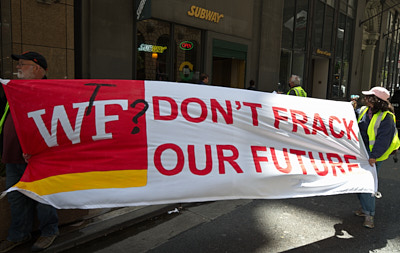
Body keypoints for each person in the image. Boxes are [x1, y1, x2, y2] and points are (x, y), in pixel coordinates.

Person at [0, 51, 59, 252]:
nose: (18, 67)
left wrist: (36, 148)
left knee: (42, 198)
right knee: (17, 198)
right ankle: (19, 235)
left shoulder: (49, 92)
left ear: (36, 68)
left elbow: (54, 124)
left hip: (37, 157)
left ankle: (49, 231)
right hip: (13, 156)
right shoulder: (15, 89)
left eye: (22, 64)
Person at [354, 86, 400, 229]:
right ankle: (364, 209)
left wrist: (374, 157)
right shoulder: (363, 111)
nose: (365, 98)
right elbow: (350, 119)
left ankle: (369, 214)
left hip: (373, 156)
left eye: (369, 96)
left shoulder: (386, 117)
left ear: (377, 100)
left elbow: (383, 140)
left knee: (366, 185)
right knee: (357, 183)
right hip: (362, 153)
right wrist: (350, 107)